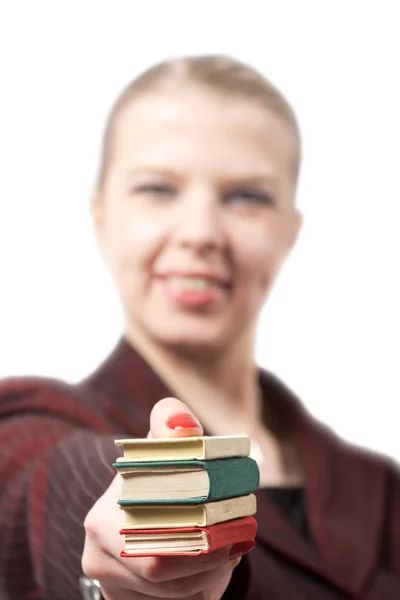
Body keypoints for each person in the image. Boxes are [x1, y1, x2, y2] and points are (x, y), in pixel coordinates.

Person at [0, 54, 399, 600]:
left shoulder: (375, 488)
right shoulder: (33, 425)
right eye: (157, 189)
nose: (200, 232)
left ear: (290, 229)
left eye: (247, 196)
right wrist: (152, 510)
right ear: (101, 217)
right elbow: (48, 485)